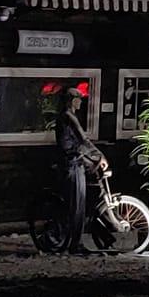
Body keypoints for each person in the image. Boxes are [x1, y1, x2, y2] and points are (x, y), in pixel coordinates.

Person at [54, 84, 104, 254]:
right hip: (72, 165)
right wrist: (99, 156)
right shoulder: (69, 116)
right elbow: (83, 140)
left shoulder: (65, 116)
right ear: (71, 101)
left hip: (73, 162)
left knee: (75, 205)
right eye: (78, 99)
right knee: (76, 207)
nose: (81, 103)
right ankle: (74, 244)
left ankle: (72, 241)